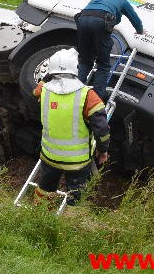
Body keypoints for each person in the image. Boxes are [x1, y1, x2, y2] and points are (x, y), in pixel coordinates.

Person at [32, 48, 109, 206]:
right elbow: (102, 129)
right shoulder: (89, 96)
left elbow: (36, 91)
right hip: (77, 163)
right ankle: (71, 222)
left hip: (49, 157)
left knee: (45, 190)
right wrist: (103, 151)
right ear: (76, 68)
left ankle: (38, 215)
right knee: (77, 196)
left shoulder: (43, 90)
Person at [75, 0, 145, 100]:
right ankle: (96, 100)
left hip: (82, 20)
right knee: (103, 64)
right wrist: (140, 31)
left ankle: (74, 92)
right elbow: (134, 18)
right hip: (101, 21)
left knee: (85, 61)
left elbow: (91, 12)